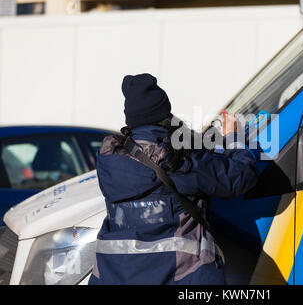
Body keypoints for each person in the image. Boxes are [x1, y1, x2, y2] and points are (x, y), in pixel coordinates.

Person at [88, 73, 258, 285]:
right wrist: (234, 138)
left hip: (114, 277)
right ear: (165, 113)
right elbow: (238, 176)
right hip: (183, 277)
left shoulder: (109, 161)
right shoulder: (178, 157)